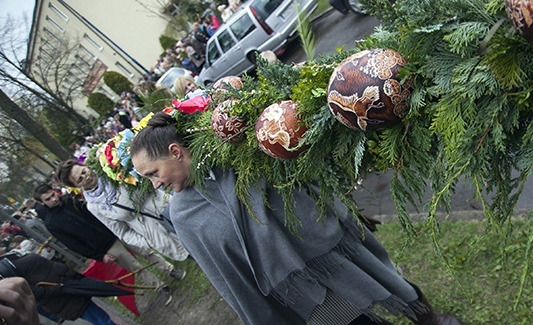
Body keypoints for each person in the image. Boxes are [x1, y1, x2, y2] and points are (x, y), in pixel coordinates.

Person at [129, 112, 463, 325]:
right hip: (296, 288)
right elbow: (225, 277)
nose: (155, 184)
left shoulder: (238, 153)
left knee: (389, 284)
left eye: (152, 173)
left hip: (328, 249)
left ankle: (433, 320)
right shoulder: (183, 214)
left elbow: (300, 180)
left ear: (176, 152)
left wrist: (342, 210)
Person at [32, 184, 173, 306]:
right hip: (104, 247)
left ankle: (170, 269)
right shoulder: (52, 223)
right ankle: (160, 286)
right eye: (48, 199)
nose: (54, 199)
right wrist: (99, 256)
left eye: (53, 195)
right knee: (134, 266)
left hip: (115, 231)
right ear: (42, 203)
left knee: (145, 250)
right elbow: (73, 244)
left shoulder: (70, 200)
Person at [54, 160, 189, 283]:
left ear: (86, 166)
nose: (86, 177)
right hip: (155, 232)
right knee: (192, 253)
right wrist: (147, 242)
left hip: (168, 207)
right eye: (80, 179)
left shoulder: (112, 170)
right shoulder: (94, 206)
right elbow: (122, 232)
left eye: (84, 172)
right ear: (76, 186)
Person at [0, 252, 118, 325]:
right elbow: (32, 293)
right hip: (64, 299)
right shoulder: (6, 271)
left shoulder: (8, 260)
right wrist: (61, 287)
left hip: (70, 292)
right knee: (102, 320)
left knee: (101, 318)